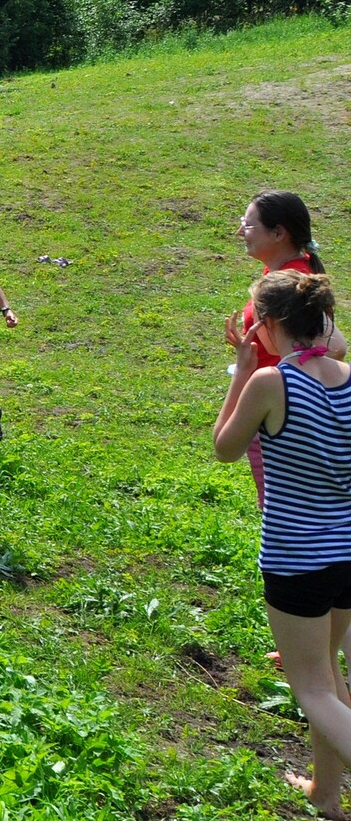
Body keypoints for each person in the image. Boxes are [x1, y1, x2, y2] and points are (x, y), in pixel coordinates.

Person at [215, 270, 351, 820]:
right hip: (348, 552)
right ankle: (325, 793)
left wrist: (243, 371)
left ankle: (327, 789)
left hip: (297, 560)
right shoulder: (350, 378)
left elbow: (225, 447)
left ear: (268, 325)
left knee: (312, 689)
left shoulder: (272, 383)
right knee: (330, 675)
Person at [229, 191, 339, 510]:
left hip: (280, 411)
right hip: (274, 404)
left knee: (283, 507)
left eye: (249, 225)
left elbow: (335, 347)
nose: (240, 231)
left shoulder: (294, 284)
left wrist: (285, 381)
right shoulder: (284, 275)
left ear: (279, 233)